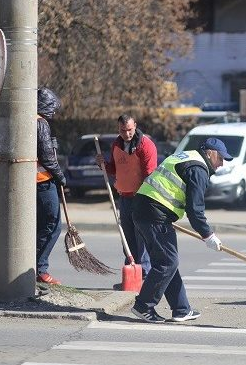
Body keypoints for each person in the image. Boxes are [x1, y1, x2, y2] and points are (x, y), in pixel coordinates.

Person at [130, 138, 232, 323]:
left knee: (167, 263)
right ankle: (143, 306)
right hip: (154, 214)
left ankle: (181, 309)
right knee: (168, 262)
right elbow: (195, 210)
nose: (222, 163)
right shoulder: (198, 169)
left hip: (146, 210)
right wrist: (208, 235)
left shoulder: (188, 157)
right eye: (220, 158)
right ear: (210, 153)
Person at [95, 114, 157, 284]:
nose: (127, 134)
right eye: (123, 130)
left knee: (141, 238)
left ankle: (144, 275)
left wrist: (146, 201)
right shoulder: (117, 144)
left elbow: (149, 176)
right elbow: (114, 169)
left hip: (141, 198)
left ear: (135, 126)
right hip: (124, 197)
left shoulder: (146, 145)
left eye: (129, 130)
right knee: (127, 238)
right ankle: (131, 274)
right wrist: (102, 164)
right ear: (118, 129)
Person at [35, 87, 67, 285]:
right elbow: (47, 157)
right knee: (52, 226)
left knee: (40, 227)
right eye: (52, 109)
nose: (54, 113)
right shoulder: (41, 123)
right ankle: (40, 269)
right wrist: (60, 176)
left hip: (32, 183)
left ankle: (34, 267)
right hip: (43, 181)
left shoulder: (28, 119)